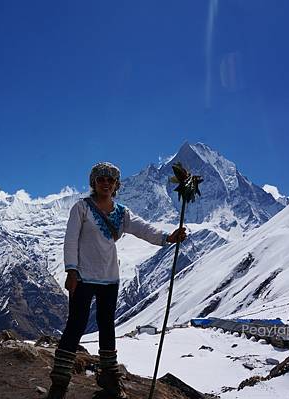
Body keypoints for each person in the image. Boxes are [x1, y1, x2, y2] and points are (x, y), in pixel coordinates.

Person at [47, 162, 187, 399]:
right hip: (82, 276)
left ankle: (109, 377)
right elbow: (70, 240)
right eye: (101, 179)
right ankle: (60, 381)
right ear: (94, 183)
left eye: (110, 181)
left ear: (116, 186)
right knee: (75, 325)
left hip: (109, 278)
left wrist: (167, 237)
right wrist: (71, 271)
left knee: (107, 326)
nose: (106, 184)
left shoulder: (122, 213)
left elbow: (143, 228)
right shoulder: (81, 208)